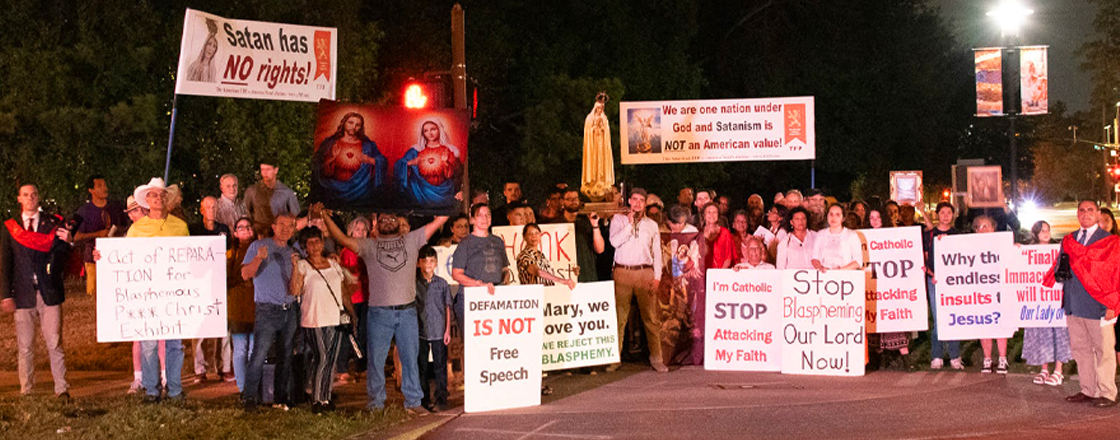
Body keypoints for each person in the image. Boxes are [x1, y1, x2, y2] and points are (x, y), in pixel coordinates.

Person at [319, 207, 447, 415]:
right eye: (384, 219)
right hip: (379, 314)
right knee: (376, 361)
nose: (388, 221)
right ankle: (376, 404)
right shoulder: (368, 245)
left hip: (407, 312)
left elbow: (440, 219)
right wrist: (324, 215)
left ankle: (414, 401)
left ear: (399, 221)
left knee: (410, 358)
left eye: (392, 218)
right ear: (376, 223)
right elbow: (342, 238)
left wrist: (451, 197)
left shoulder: (413, 239)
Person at [1, 184, 71, 399]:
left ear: (38, 197)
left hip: (48, 291)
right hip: (22, 294)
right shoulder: (9, 228)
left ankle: (62, 389)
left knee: (54, 343)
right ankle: (27, 390)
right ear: (19, 199)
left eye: (33, 195)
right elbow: (4, 263)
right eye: (25, 195)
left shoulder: (52, 224)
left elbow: (62, 256)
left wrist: (68, 242)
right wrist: (5, 295)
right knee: (25, 346)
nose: (30, 198)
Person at [1047, 200, 1119, 407]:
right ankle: (1088, 389)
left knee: (1104, 351)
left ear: (1098, 214)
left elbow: (1116, 275)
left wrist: (1112, 305)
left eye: (1090, 210)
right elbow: (1061, 266)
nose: (1086, 213)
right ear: (1077, 215)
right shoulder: (1069, 240)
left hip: (1099, 306)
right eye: (1082, 210)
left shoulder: (1110, 241)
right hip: (1074, 303)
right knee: (1081, 349)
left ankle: (1107, 392)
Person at [125, 178, 190, 403]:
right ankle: (152, 390)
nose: (158, 198)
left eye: (162, 195)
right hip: (147, 294)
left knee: (174, 344)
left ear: (166, 198)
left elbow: (191, 260)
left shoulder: (180, 227)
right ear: (147, 200)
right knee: (149, 344)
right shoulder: (136, 229)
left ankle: (174, 389)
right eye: (153, 195)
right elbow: (125, 261)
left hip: (174, 294)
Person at [290, 226, 357, 413]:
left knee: (331, 359)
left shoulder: (333, 265)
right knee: (322, 357)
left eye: (317, 241)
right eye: (310, 243)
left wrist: (351, 312)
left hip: (334, 317)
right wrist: (295, 267)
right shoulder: (304, 265)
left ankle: (326, 397)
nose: (315, 245)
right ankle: (317, 398)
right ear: (305, 246)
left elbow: (342, 290)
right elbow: (295, 291)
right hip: (314, 319)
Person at [240, 214, 299, 411]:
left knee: (286, 355)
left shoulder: (294, 251)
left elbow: (297, 287)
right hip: (267, 310)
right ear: (273, 226)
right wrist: (258, 258)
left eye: (290, 225)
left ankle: (280, 398)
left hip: (289, 310)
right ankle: (249, 397)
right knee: (259, 354)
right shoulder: (258, 246)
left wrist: (297, 265)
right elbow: (245, 274)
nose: (286, 229)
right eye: (282, 224)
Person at [607, 188, 667, 373]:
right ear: (629, 201)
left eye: (642, 200)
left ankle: (657, 358)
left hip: (644, 272)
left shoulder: (651, 225)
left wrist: (657, 277)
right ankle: (614, 358)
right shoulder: (618, 219)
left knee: (650, 318)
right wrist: (629, 224)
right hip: (623, 272)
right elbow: (614, 242)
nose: (638, 203)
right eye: (635, 199)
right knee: (620, 317)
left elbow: (657, 253)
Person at [189, 196, 233, 383]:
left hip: (219, 282)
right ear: (201, 210)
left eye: (214, 206)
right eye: (207, 207)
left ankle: (224, 367)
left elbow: (229, 254)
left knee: (223, 327)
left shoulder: (223, 230)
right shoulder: (193, 230)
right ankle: (200, 369)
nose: (211, 210)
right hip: (199, 284)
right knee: (199, 328)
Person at [1022, 220, 1070, 386]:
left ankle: (1058, 370)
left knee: (1059, 334)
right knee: (1041, 334)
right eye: (1042, 230)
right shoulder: (1027, 251)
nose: (1045, 233)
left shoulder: (1059, 249)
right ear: (1035, 233)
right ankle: (1044, 369)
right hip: (1038, 302)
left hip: (1055, 301)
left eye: (1048, 230)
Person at [451, 203, 511, 335]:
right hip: (471, 300)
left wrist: (505, 279)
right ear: (472, 219)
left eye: (488, 215)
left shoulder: (498, 241)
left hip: (494, 300)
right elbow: (456, 274)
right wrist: (479, 284)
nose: (485, 218)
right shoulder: (466, 243)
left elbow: (505, 269)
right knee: (471, 345)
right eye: (480, 215)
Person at [313, 113, 388, 206]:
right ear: (344, 123)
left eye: (358, 125)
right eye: (350, 123)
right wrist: (331, 158)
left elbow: (383, 161)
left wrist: (371, 160)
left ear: (361, 127)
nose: (353, 127)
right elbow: (318, 168)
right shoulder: (330, 144)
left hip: (360, 190)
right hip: (332, 190)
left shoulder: (368, 146)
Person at [923, 202, 964, 370]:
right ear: (937, 214)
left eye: (949, 212)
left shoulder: (957, 235)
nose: (946, 215)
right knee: (938, 317)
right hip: (934, 281)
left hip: (952, 282)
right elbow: (926, 258)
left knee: (952, 316)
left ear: (953, 215)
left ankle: (955, 356)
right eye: (942, 212)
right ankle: (937, 355)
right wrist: (932, 274)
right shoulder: (930, 234)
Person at [73, 175, 125, 297]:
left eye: (105, 185)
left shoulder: (116, 207)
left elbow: (125, 227)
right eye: (100, 186)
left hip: (115, 258)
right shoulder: (83, 211)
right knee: (94, 295)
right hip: (92, 259)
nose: (104, 188)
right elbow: (75, 236)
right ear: (91, 190)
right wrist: (97, 234)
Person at [971, 215, 1010, 374]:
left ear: (994, 228)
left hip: (999, 289)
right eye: (980, 226)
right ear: (975, 231)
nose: (984, 229)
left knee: (1001, 323)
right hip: (980, 291)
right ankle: (987, 359)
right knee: (984, 324)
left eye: (988, 226)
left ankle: (1002, 358)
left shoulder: (1003, 244)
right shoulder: (968, 246)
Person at [394, 119, 463, 208]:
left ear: (439, 130)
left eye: (433, 129)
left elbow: (454, 175)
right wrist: (412, 162)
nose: (430, 133)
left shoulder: (447, 150)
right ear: (423, 133)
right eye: (426, 131)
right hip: (420, 192)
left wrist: (446, 162)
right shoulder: (416, 151)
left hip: (443, 193)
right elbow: (398, 166)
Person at [415, 246, 452, 412]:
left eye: (431, 261)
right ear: (419, 263)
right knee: (422, 366)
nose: (428, 264)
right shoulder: (415, 284)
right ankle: (424, 398)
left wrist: (447, 331)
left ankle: (441, 396)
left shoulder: (442, 284)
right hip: (420, 331)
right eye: (424, 261)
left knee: (440, 365)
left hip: (438, 330)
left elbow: (447, 307)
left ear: (436, 263)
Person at [336, 217, 371, 385]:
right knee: (347, 334)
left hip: (367, 297)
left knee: (365, 333)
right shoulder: (346, 252)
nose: (362, 233)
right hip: (352, 298)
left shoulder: (369, 249)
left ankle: (361, 367)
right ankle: (342, 369)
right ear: (351, 232)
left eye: (364, 230)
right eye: (358, 230)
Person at [228, 217, 256, 393]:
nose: (245, 230)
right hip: (236, 307)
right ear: (235, 233)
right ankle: (242, 388)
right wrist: (243, 277)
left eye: (248, 227)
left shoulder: (260, 250)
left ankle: (253, 387)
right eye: (240, 227)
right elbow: (225, 279)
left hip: (256, 307)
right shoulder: (230, 254)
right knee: (239, 350)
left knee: (255, 350)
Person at [244, 162, 301, 237]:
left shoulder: (287, 192)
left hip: (281, 235)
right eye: (262, 169)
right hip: (259, 235)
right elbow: (246, 213)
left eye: (268, 169)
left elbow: (296, 216)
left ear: (276, 170)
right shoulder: (252, 191)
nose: (265, 173)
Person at [560, 189, 604, 282]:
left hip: (586, 273)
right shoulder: (556, 224)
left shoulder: (587, 221)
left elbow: (600, 249)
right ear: (562, 201)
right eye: (569, 198)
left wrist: (595, 226)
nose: (573, 201)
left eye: (575, 198)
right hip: (563, 275)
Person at [517, 224, 577, 289]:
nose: (534, 236)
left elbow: (550, 274)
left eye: (536, 233)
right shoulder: (524, 255)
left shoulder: (541, 255)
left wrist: (572, 271)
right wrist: (563, 281)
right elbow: (537, 271)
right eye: (530, 234)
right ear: (524, 237)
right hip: (533, 295)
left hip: (548, 293)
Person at [581, 92, 615, 201]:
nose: (600, 110)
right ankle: (593, 181)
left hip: (601, 146)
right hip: (593, 146)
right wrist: (594, 129)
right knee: (593, 164)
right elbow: (587, 132)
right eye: (599, 108)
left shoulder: (604, 119)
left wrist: (602, 129)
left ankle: (601, 180)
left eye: (602, 108)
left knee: (602, 165)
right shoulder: (589, 118)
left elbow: (607, 133)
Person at [810, 204, 862, 272]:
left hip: (846, 277)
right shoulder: (820, 234)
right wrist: (821, 268)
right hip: (825, 276)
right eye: (831, 214)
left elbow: (857, 262)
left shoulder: (851, 235)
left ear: (843, 218)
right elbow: (814, 259)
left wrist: (839, 271)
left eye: (837, 215)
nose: (833, 217)